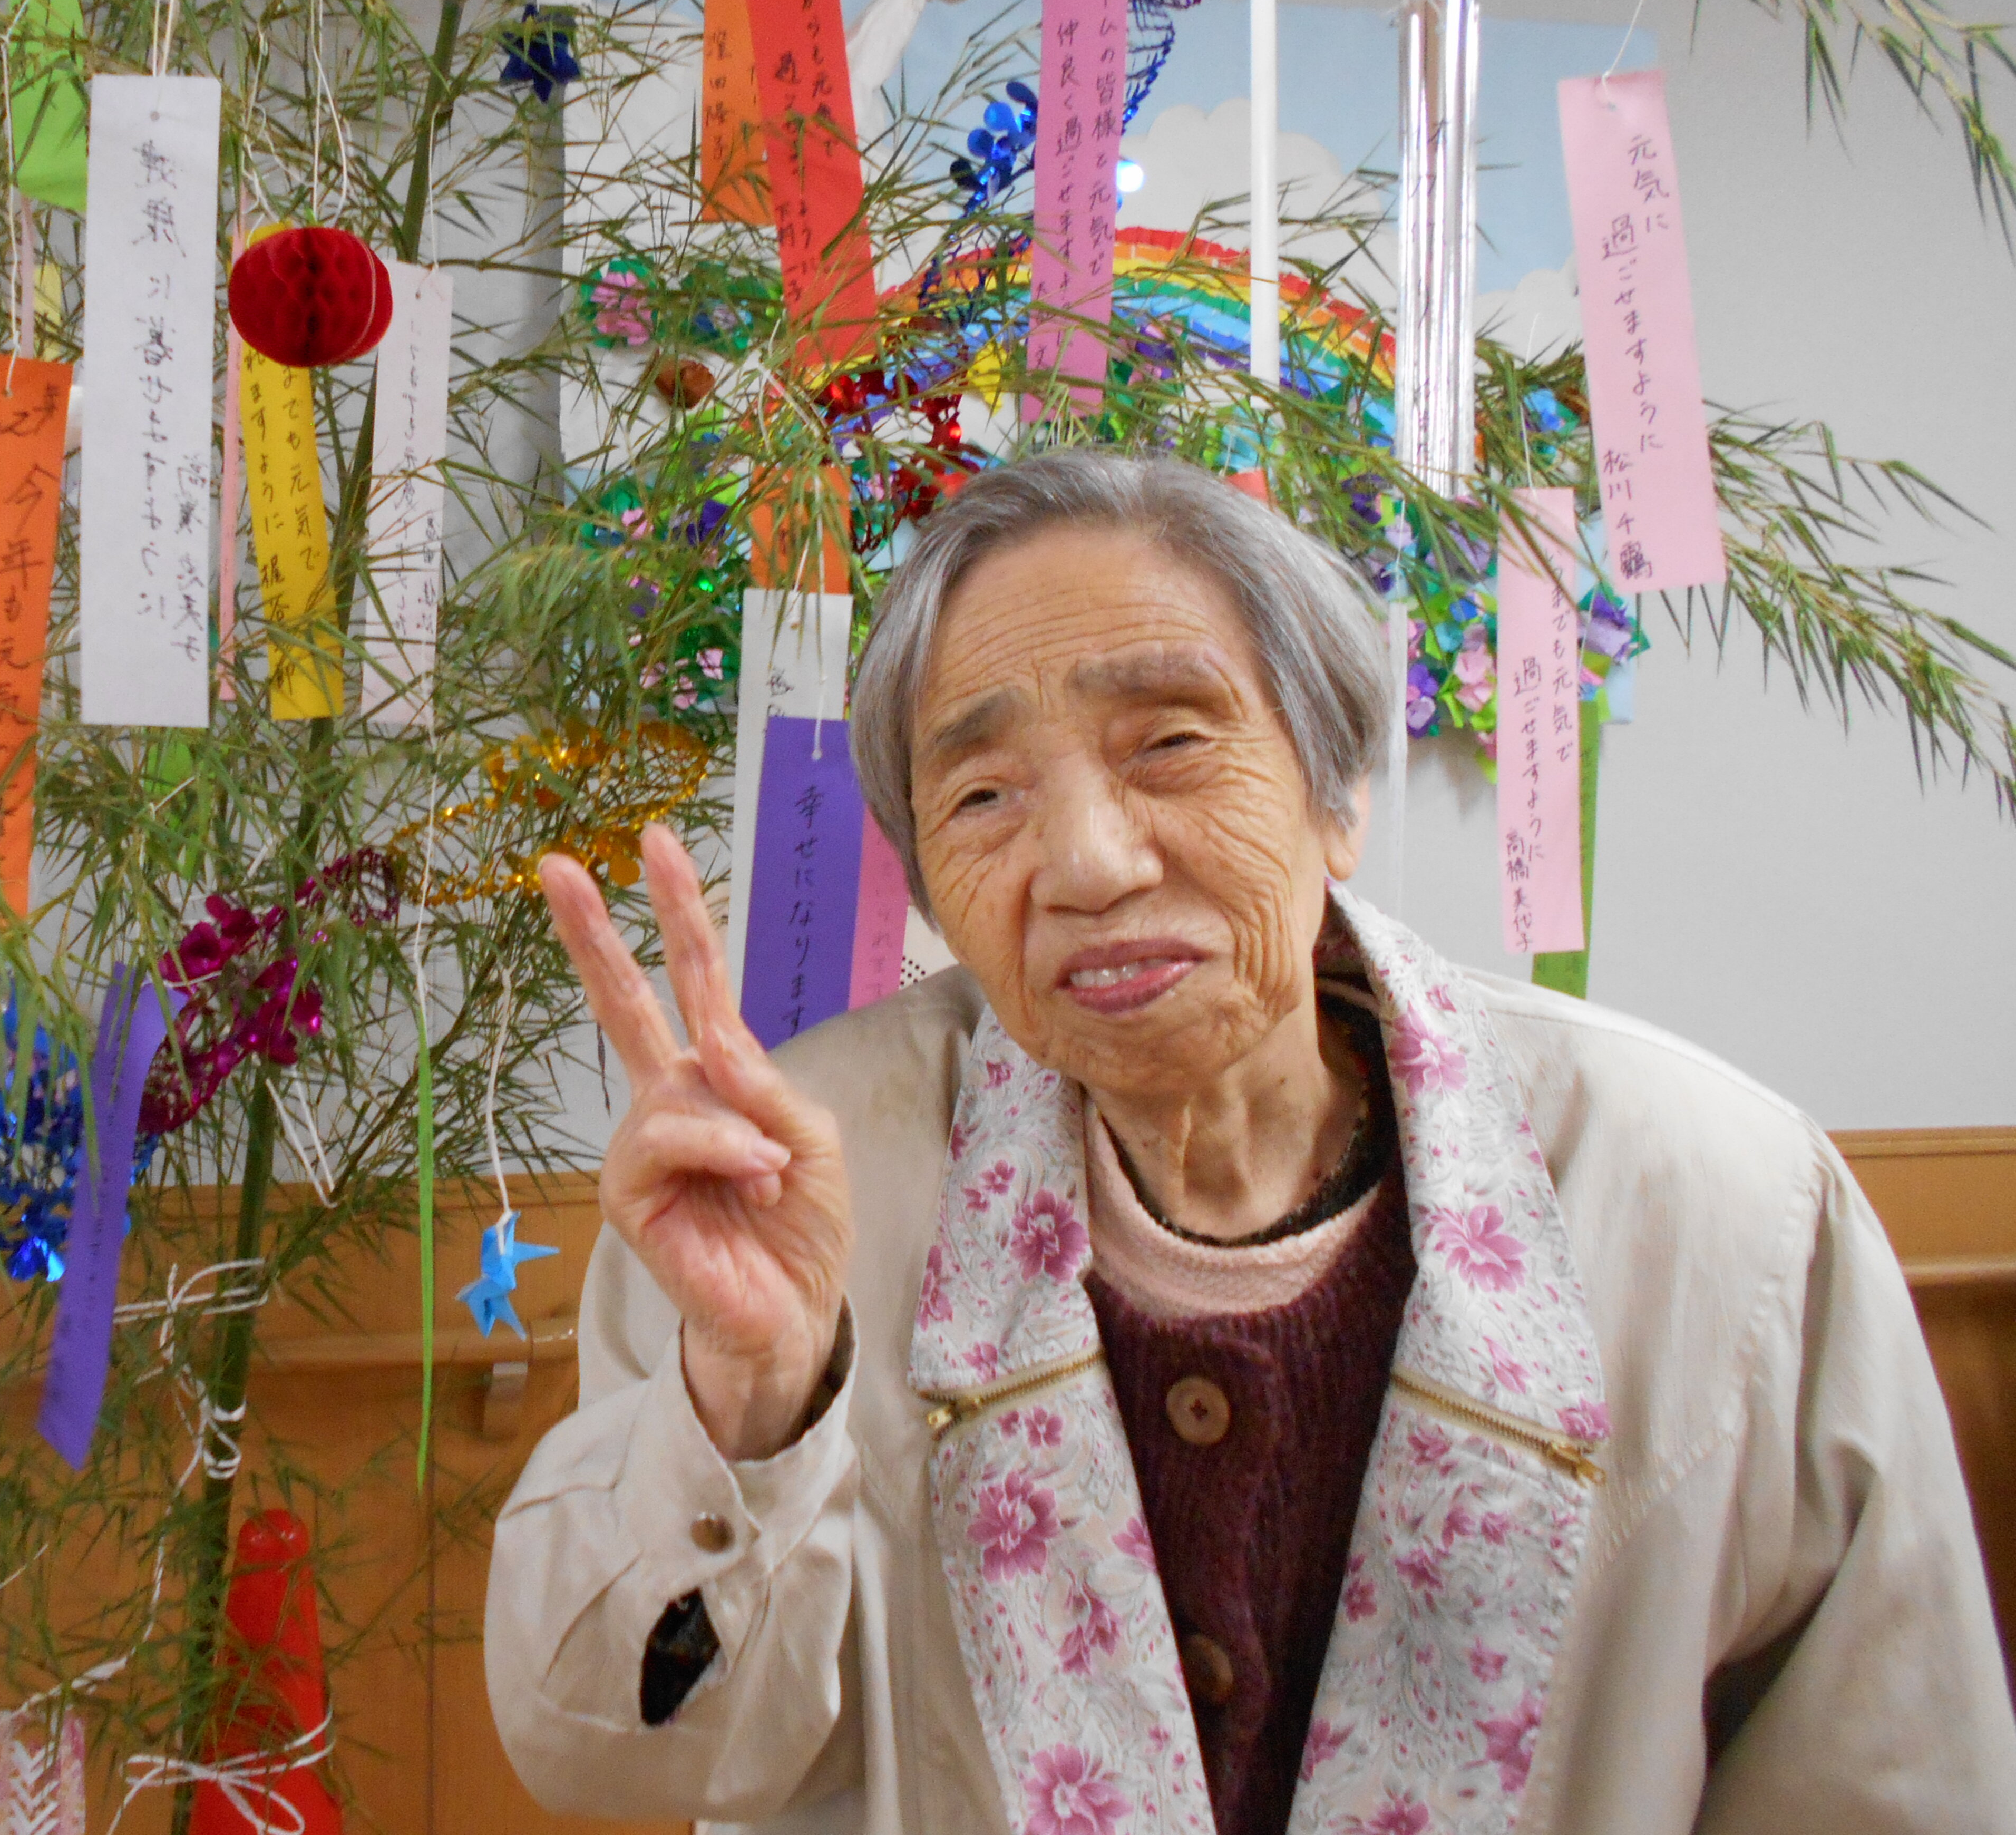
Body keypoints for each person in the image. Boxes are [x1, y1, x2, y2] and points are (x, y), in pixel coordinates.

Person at [484, 452, 2016, 1835]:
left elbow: (1889, 1783)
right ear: (938, 888)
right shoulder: (783, 1196)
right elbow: (621, 1758)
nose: (1087, 863)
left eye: (1168, 742)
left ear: (1336, 796)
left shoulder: (1727, 1209)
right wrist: (752, 1407)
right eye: (985, 793)